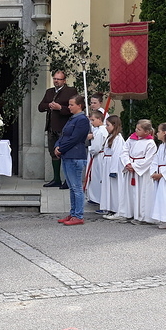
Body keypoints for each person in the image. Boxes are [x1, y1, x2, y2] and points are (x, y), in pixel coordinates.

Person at [37, 70, 78, 188]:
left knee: (65, 153)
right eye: (55, 79)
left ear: (64, 81)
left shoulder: (71, 91)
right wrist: (49, 105)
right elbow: (40, 107)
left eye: (59, 79)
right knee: (53, 153)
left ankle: (68, 180)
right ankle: (56, 179)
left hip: (64, 127)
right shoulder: (49, 92)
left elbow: (75, 109)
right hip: (51, 127)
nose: (56, 81)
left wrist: (60, 108)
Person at [55, 95, 91, 225]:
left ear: (79, 106)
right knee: (71, 187)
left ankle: (78, 215)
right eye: (69, 104)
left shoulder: (82, 120)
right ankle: (73, 213)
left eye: (71, 105)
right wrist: (57, 146)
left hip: (75, 156)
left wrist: (61, 148)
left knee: (76, 187)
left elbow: (75, 138)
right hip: (67, 155)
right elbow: (64, 135)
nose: (69, 107)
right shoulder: (72, 118)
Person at [117, 119, 158, 223]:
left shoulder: (150, 143)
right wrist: (127, 163)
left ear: (147, 132)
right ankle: (127, 212)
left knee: (141, 194)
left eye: (139, 129)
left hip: (141, 173)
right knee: (129, 193)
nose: (136, 130)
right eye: (136, 128)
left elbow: (149, 159)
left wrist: (134, 166)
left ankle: (141, 216)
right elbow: (124, 151)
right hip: (130, 169)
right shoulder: (131, 139)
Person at [100, 116, 125, 220]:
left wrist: (113, 170)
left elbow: (117, 154)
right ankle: (110, 208)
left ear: (114, 125)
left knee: (115, 189)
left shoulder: (118, 138)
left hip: (113, 165)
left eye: (108, 125)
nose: (106, 127)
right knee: (109, 188)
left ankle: (118, 210)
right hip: (107, 164)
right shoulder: (110, 137)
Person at [85, 110, 107, 208]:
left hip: (99, 156)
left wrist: (90, 149)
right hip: (97, 156)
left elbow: (96, 147)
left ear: (99, 119)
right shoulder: (98, 130)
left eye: (93, 120)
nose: (91, 122)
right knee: (94, 177)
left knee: (98, 177)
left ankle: (99, 198)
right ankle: (94, 197)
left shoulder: (101, 131)